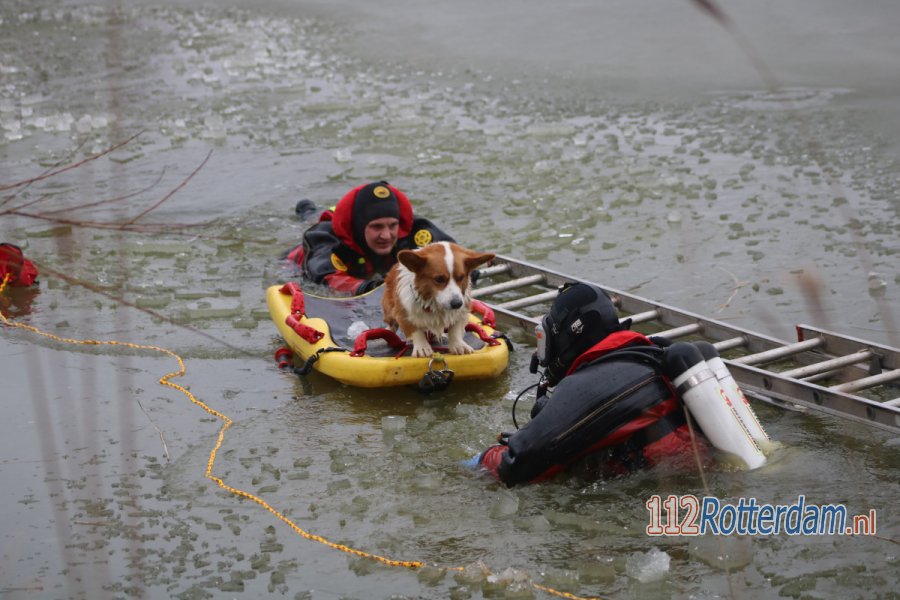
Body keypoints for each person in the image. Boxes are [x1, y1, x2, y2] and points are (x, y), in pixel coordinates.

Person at [472, 282, 713, 486]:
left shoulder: (588, 387)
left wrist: (479, 460)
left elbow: (515, 466)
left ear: (565, 336)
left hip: (669, 497)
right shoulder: (652, 355)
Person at [284, 181, 455, 295]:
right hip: (296, 262)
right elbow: (327, 277)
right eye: (377, 227)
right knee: (313, 219)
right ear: (359, 227)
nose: (386, 235)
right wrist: (366, 288)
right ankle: (307, 211)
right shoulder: (325, 238)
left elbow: (450, 255)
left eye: (392, 225)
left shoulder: (412, 230)